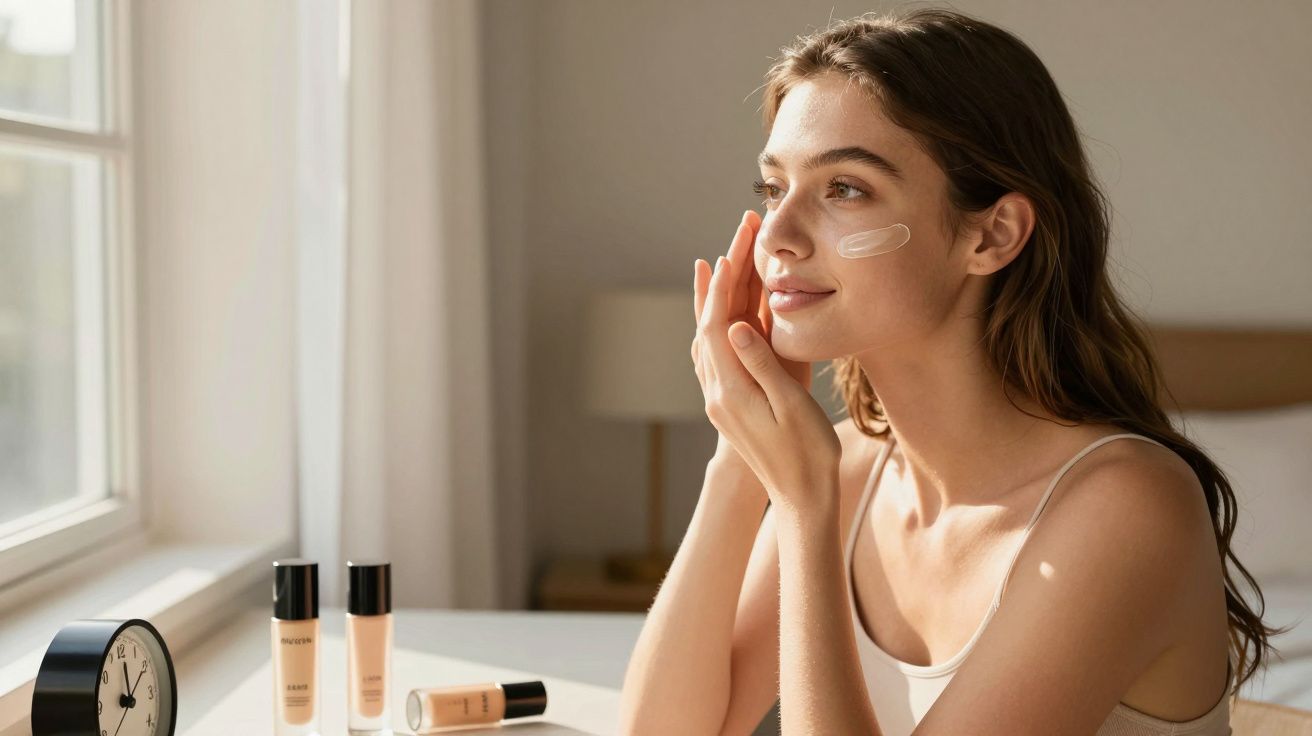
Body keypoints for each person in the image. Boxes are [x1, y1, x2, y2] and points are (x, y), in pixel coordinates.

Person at [619, 7, 1281, 735]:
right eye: (773, 189)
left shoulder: (1125, 507)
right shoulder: (848, 471)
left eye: (845, 188)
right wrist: (741, 455)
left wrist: (804, 511)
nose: (776, 235)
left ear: (992, 235)